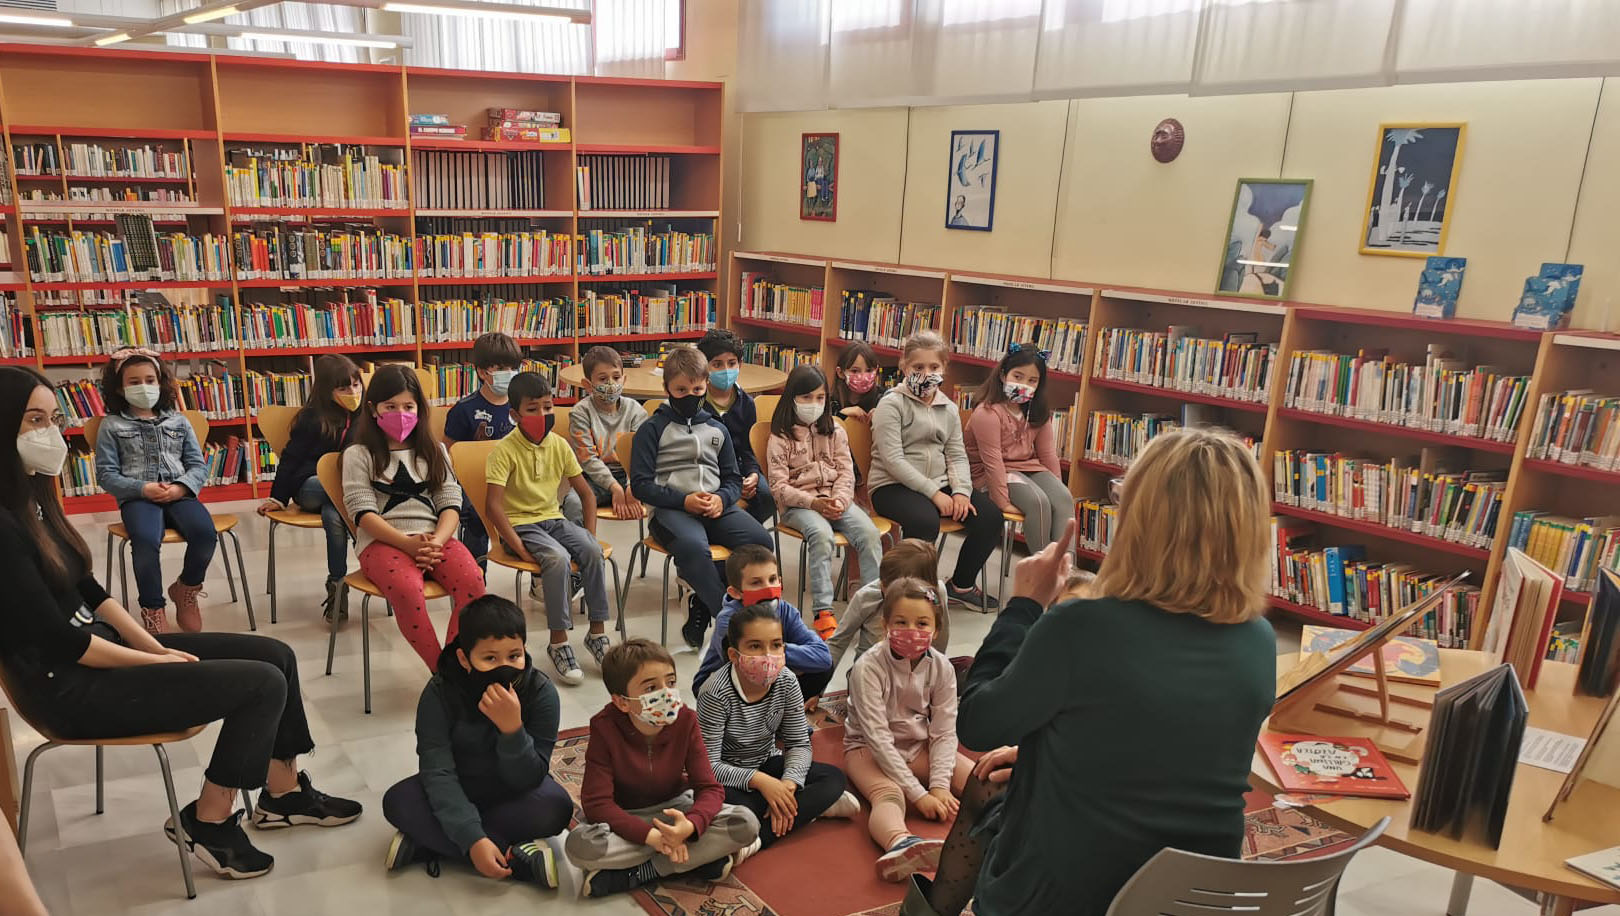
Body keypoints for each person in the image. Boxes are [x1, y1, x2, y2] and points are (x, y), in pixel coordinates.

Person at [0, 365, 361, 882]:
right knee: (260, 684)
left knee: (275, 654)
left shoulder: (34, 500)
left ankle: (282, 793)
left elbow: (91, 592)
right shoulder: (3, 525)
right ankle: (208, 819)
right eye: (33, 420)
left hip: (95, 652)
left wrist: (151, 641)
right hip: (66, 688)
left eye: (54, 419)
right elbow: (62, 643)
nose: (50, 434)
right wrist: (151, 658)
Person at [900, 428, 1277, 916]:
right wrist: (1051, 747)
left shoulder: (1084, 625)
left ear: (1144, 520)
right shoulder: (1258, 638)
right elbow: (1173, 730)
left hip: (1068, 893)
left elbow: (975, 721)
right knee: (1002, 778)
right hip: (1192, 896)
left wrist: (1023, 605)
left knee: (987, 786)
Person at [382, 596, 573, 887]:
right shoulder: (439, 692)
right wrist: (474, 840)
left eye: (514, 655)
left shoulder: (540, 692)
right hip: (460, 785)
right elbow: (438, 771)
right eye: (490, 659)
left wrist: (512, 731)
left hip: (512, 793)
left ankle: (428, 843)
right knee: (398, 802)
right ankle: (515, 855)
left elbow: (531, 778)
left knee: (557, 807)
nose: (505, 666)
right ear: (464, 658)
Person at [567, 638, 761, 897]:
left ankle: (644, 872)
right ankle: (698, 861)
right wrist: (653, 838)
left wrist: (689, 827)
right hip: (627, 818)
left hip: (676, 809)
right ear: (622, 702)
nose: (667, 693)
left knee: (745, 823)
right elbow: (597, 803)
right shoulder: (604, 727)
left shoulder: (686, 719)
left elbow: (709, 788)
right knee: (580, 846)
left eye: (670, 683)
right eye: (651, 687)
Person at [341, 365, 486, 671]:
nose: (401, 413)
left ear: (420, 409)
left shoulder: (434, 451)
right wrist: (407, 546)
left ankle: (455, 660)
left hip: (435, 537)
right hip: (383, 541)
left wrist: (437, 540)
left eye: (408, 406)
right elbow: (362, 513)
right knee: (408, 589)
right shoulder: (359, 454)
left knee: (474, 581)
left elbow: (450, 501)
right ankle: (441, 671)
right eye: (390, 407)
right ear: (373, 409)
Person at [629, 345, 773, 649]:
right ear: (666, 387)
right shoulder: (652, 429)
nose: (690, 395)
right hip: (672, 511)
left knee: (761, 541)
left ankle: (706, 604)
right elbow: (641, 485)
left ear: (706, 385)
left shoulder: (716, 428)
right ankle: (734, 623)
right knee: (694, 549)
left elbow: (732, 478)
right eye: (681, 389)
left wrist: (722, 498)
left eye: (696, 388)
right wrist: (683, 501)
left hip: (715, 506)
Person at [482, 372, 611, 686]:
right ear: (515, 415)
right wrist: (518, 545)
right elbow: (494, 507)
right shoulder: (504, 451)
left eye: (548, 406)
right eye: (532, 409)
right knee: (556, 559)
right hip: (521, 526)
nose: (542, 415)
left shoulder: (559, 445)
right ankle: (559, 641)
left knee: (593, 551)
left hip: (553, 519)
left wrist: (588, 536)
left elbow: (587, 494)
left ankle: (597, 634)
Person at [696, 603, 859, 850]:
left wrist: (788, 784)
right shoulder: (715, 692)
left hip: (767, 762)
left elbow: (798, 743)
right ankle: (807, 808)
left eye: (776, 645)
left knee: (834, 778)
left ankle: (757, 838)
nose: (768, 654)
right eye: (755, 646)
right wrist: (762, 782)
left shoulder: (786, 680)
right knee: (723, 802)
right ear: (733, 654)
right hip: (729, 778)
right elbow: (709, 766)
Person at [845, 577, 973, 882]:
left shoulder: (941, 667)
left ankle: (1013, 818)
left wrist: (940, 785)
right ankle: (901, 844)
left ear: (936, 629)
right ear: (885, 624)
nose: (912, 631)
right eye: (901, 622)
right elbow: (877, 738)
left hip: (916, 747)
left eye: (922, 623)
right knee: (889, 795)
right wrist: (919, 795)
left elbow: (943, 732)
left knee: (977, 777)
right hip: (866, 751)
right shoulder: (869, 667)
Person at [869, 330, 1003, 610]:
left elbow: (956, 454)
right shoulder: (891, 404)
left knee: (990, 517)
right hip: (892, 485)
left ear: (944, 369)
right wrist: (935, 494)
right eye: (918, 367)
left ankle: (961, 585)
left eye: (934, 367)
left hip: (939, 482)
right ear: (904, 366)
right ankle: (909, 594)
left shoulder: (949, 408)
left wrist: (962, 492)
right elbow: (893, 460)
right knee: (925, 520)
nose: (926, 373)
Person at [93, 347, 215, 635]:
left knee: (205, 533)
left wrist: (181, 487)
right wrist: (141, 488)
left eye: (150, 380)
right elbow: (106, 475)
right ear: (120, 389)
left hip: (179, 492)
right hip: (138, 497)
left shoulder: (179, 421)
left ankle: (185, 589)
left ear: (161, 383)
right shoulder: (111, 425)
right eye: (134, 382)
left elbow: (198, 465)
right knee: (146, 540)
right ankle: (153, 607)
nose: (144, 387)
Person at [767, 365, 882, 639]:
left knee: (868, 533)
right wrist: (813, 503)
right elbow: (778, 487)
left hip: (836, 499)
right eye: (806, 397)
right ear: (792, 398)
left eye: (820, 397)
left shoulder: (836, 431)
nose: (814, 404)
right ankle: (823, 611)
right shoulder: (780, 437)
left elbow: (846, 473)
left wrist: (841, 500)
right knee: (821, 535)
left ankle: (872, 606)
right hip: (798, 506)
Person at [256, 354, 364, 621]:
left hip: (340, 494)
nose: (352, 392)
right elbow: (290, 459)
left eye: (356, 385)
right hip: (310, 486)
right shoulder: (312, 418)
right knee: (338, 495)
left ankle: (337, 586)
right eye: (343, 388)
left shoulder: (366, 415)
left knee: (334, 514)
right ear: (327, 391)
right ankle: (367, 541)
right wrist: (278, 498)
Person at [964, 343, 1075, 554]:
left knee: (1063, 498)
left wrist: (1056, 489)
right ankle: (1042, 569)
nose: (1024, 384)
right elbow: (993, 462)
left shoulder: (1038, 412)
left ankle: (1066, 570)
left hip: (1026, 467)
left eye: (1032, 380)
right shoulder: (987, 413)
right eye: (1018, 376)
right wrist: (1002, 502)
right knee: (1038, 502)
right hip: (991, 474)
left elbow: (1048, 455)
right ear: (1003, 375)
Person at [691, 544, 832, 701]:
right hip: (728, 685)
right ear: (736, 593)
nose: (769, 589)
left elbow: (823, 657)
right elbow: (744, 670)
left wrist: (780, 650)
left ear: (780, 581)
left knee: (821, 670)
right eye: (756, 583)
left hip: (769, 674)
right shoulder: (729, 619)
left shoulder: (785, 610)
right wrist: (782, 654)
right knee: (761, 676)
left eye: (772, 580)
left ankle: (783, 713)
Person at [443, 332, 522, 571]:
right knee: (476, 516)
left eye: (511, 367)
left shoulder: (522, 405)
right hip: (476, 484)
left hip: (515, 481)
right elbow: (449, 454)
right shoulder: (464, 410)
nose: (507, 373)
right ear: (481, 372)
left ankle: (538, 578)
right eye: (499, 368)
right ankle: (475, 578)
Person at [826, 539, 952, 680]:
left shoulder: (936, 593)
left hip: (917, 672)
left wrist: (936, 673)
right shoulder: (866, 597)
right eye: (882, 583)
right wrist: (818, 689)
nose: (882, 586)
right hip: (872, 674)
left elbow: (940, 637)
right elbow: (837, 642)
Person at [696, 329, 774, 527]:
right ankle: (728, 531)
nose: (726, 370)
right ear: (704, 367)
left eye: (731, 363)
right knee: (713, 497)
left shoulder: (746, 403)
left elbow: (748, 450)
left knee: (768, 495)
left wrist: (753, 475)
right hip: (706, 471)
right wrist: (732, 483)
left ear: (740, 364)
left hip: (739, 469)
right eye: (717, 364)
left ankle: (738, 536)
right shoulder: (696, 402)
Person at [568, 345, 647, 521]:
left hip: (633, 476)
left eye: (616, 377)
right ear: (588, 385)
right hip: (594, 478)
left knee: (666, 497)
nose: (611, 384)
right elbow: (587, 459)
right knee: (573, 504)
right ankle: (585, 546)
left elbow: (640, 455)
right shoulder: (580, 412)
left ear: (624, 380)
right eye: (603, 379)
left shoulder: (635, 411)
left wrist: (631, 485)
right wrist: (614, 487)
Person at [829, 339, 883, 424]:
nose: (863, 377)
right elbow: (824, 432)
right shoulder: (830, 402)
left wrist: (884, 416)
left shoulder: (883, 399)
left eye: (868, 370)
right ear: (840, 373)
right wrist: (842, 415)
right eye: (855, 371)